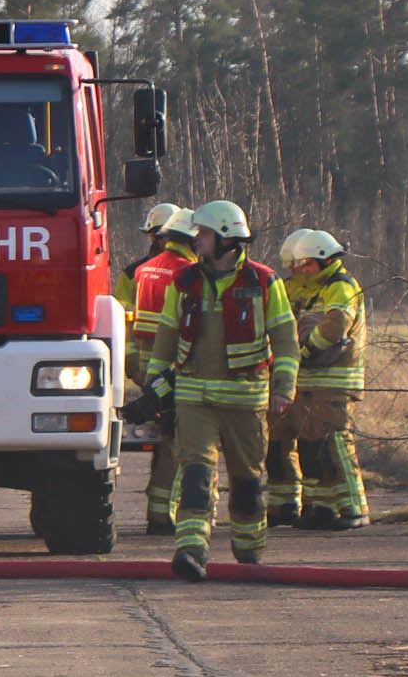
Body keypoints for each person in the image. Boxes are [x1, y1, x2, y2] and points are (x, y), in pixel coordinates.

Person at [150, 200, 299, 580]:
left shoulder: (264, 282)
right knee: (196, 477)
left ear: (226, 238)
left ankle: (248, 551)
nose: (197, 240)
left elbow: (285, 340)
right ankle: (191, 549)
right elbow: (165, 338)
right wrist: (155, 389)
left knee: (247, 482)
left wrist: (283, 388)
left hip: (245, 402)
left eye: (203, 233)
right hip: (193, 400)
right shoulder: (183, 283)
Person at [268, 228, 369, 530]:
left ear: (325, 261)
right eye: (296, 266)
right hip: (306, 381)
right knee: (308, 446)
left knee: (334, 443)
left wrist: (305, 348)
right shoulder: (298, 286)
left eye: (306, 265)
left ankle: (353, 509)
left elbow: (336, 325)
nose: (299, 271)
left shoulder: (341, 286)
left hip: (334, 381)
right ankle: (316, 508)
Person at [124, 204, 197, 535]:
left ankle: (158, 508)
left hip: (149, 369)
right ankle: (170, 512)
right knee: (179, 442)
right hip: (177, 370)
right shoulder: (187, 274)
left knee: (169, 438)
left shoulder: (144, 271)